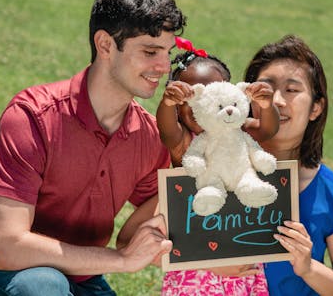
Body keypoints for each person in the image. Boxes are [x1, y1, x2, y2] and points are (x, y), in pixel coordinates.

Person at [0, 0, 186, 296]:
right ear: (104, 45)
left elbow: (168, 212)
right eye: (150, 51)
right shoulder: (32, 117)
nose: (163, 66)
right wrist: (121, 259)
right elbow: (8, 248)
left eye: (167, 53)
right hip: (7, 277)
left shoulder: (149, 137)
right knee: (44, 285)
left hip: (85, 280)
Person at [116, 36, 279, 295]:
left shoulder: (237, 129)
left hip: (238, 248)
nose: (202, 103)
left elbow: (268, 130)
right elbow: (167, 130)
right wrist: (167, 103)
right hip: (197, 264)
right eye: (191, 96)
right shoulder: (185, 142)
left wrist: (267, 105)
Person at [243, 34, 333, 295]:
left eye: (292, 90)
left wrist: (308, 268)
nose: (277, 100)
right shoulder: (216, 175)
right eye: (265, 88)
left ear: (316, 108)